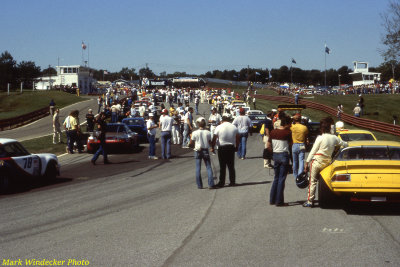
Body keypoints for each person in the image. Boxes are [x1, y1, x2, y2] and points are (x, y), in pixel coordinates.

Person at [302, 117, 347, 207]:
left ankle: (310, 201)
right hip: (327, 162)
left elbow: (313, 151)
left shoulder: (320, 138)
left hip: (317, 161)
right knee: (326, 181)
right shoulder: (334, 138)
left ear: (322, 128)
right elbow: (345, 144)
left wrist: (306, 162)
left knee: (312, 181)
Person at [267, 116, 292, 206]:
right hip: (284, 154)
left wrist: (272, 153)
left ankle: (272, 199)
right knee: (282, 179)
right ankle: (279, 201)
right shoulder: (287, 133)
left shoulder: (273, 132)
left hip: (275, 154)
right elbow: (290, 145)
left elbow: (268, 145)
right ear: (286, 124)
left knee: (276, 178)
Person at [211, 113, 239, 188]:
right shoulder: (234, 127)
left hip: (222, 148)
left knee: (222, 166)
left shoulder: (219, 127)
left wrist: (212, 147)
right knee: (231, 165)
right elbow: (237, 138)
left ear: (222, 120)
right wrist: (237, 147)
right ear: (229, 119)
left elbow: (214, 138)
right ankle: (232, 181)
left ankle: (221, 182)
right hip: (231, 147)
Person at [189, 117, 217, 189]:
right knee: (208, 167)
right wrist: (212, 148)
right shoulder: (208, 132)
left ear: (198, 124)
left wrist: (190, 138)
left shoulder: (194, 133)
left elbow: (191, 143)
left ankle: (199, 185)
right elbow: (210, 142)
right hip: (205, 150)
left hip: (197, 150)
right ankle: (211, 184)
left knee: (198, 168)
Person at [290, 113, 309, 180]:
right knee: (301, 160)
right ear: (301, 120)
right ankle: (300, 174)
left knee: (295, 161)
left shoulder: (292, 126)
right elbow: (306, 137)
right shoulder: (304, 127)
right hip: (302, 144)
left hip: (295, 144)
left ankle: (295, 175)